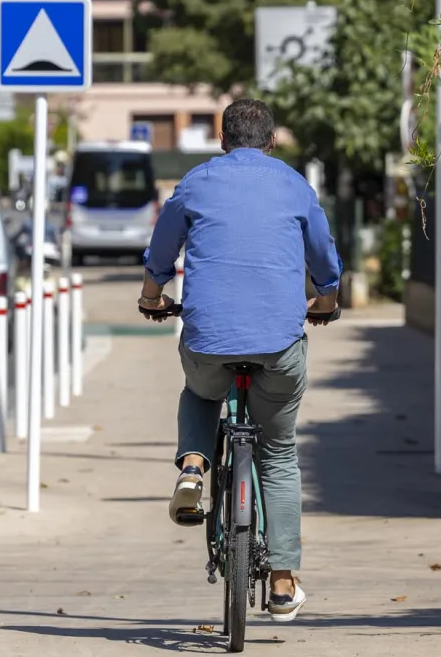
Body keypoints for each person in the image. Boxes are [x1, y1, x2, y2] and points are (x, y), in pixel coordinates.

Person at [137, 98, 341, 623]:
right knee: (279, 452)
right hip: (277, 346)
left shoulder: (196, 182)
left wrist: (152, 295)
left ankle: (192, 468)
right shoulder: (294, 185)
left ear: (223, 141)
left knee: (200, 391)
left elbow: (162, 247)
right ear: (272, 142)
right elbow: (323, 255)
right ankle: (283, 581)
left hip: (208, 339)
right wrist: (326, 299)